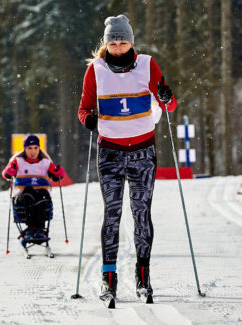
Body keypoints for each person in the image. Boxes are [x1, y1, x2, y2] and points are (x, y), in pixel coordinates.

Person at [77, 14, 176, 302]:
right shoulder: (95, 70)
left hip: (143, 151)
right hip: (109, 152)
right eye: (113, 42)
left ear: (131, 42)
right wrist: (89, 120)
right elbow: (83, 108)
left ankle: (143, 276)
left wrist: (167, 96)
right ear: (106, 44)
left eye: (122, 42)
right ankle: (109, 279)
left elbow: (169, 105)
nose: (118, 47)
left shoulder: (147, 64)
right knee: (112, 214)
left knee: (141, 213)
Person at [1, 134, 65, 240]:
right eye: (29, 148)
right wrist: (9, 171)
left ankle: (39, 229)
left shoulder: (45, 163)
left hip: (41, 195)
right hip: (22, 196)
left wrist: (59, 173)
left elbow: (56, 177)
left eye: (36, 148)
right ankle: (31, 228)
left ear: (39, 149)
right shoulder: (18, 161)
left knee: (42, 194)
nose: (33, 151)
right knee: (29, 192)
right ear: (25, 149)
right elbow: (5, 174)